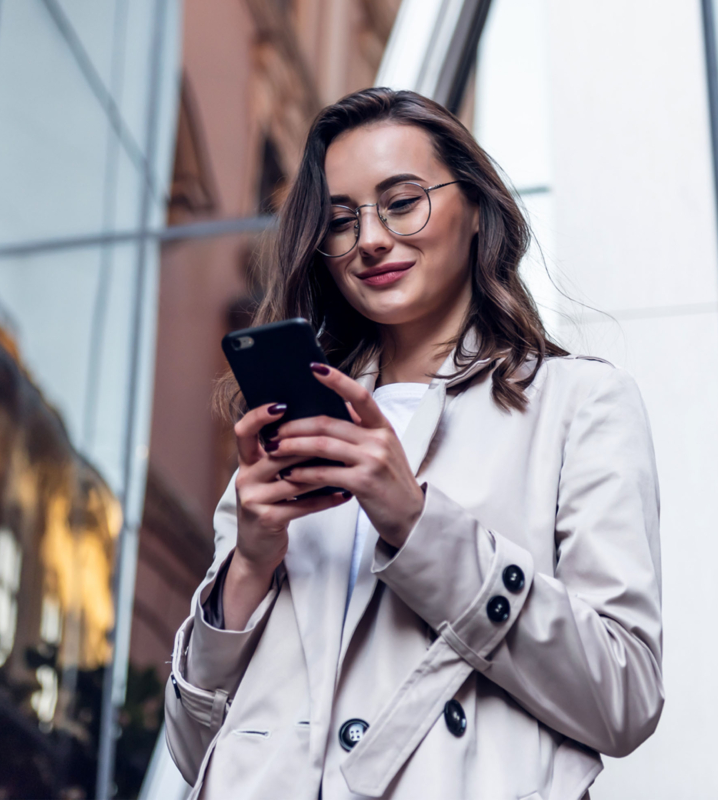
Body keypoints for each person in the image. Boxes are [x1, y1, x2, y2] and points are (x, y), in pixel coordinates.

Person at [164, 88, 663, 800]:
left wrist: (418, 525)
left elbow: (626, 697)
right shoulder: (289, 436)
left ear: (477, 210)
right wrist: (247, 565)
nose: (369, 239)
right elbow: (192, 751)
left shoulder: (577, 406)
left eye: (402, 202)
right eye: (341, 220)